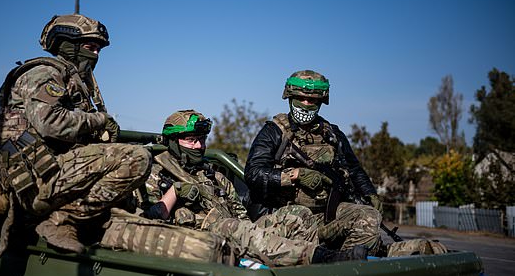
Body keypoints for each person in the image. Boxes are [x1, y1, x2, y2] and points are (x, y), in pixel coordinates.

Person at [0, 14, 151, 254]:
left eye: (98, 49)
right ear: (69, 45)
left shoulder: (73, 80)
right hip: (36, 180)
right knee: (136, 159)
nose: (95, 55)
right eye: (90, 47)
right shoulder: (44, 73)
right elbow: (49, 122)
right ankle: (61, 221)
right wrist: (99, 120)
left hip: (52, 174)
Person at [137, 109, 366, 266]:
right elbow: (150, 223)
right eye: (191, 140)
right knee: (233, 228)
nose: (199, 146)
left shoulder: (212, 174)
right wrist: (174, 192)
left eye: (202, 139)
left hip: (236, 233)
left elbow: (241, 215)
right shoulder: (156, 173)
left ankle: (313, 263)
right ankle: (321, 258)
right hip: (197, 241)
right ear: (173, 141)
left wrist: (258, 233)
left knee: (297, 214)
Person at [244, 70, 383, 255]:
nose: (306, 104)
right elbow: (253, 173)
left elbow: (354, 169)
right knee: (301, 221)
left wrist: (370, 194)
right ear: (290, 97)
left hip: (324, 215)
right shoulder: (274, 132)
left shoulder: (332, 134)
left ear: (321, 102)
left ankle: (347, 267)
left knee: (369, 216)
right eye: (301, 98)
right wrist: (295, 176)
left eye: (312, 100)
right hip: (285, 216)